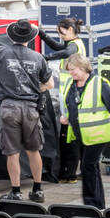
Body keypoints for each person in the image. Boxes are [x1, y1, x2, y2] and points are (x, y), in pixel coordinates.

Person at [0, 20, 53, 202]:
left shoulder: (1, 52)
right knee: (34, 150)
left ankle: (15, 192)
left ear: (11, 36)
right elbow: (50, 84)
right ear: (29, 38)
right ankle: (37, 190)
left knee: (12, 152)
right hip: (31, 109)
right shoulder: (37, 57)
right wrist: (32, 88)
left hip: (9, 108)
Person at [60, 54, 110, 210]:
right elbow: (72, 105)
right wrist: (66, 116)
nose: (71, 73)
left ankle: (91, 204)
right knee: (92, 167)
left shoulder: (100, 84)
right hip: (81, 135)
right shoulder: (72, 84)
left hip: (97, 134)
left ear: (83, 67)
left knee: (87, 166)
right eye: (69, 70)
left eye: (73, 69)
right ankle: (99, 204)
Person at [39, 17, 85, 183]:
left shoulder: (74, 46)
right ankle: (69, 171)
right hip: (68, 93)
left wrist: (46, 57)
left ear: (71, 30)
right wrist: (42, 34)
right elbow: (59, 47)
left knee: (70, 136)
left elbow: (65, 52)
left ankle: (69, 173)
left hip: (71, 94)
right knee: (68, 135)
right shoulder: (73, 42)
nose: (60, 36)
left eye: (62, 33)